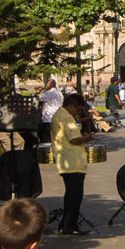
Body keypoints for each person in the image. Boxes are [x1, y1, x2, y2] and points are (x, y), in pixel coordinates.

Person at [50, 93, 93, 235]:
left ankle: (66, 224)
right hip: (72, 162)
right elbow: (74, 140)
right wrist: (87, 138)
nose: (78, 113)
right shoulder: (66, 117)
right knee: (75, 196)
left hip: (66, 160)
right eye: (78, 109)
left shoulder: (59, 114)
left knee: (71, 195)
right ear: (71, 106)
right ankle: (69, 226)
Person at [37, 78, 63, 144]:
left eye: (47, 84)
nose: (46, 86)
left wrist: (37, 92)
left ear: (50, 85)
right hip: (58, 119)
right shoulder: (60, 94)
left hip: (48, 119)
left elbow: (38, 98)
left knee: (47, 140)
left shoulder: (49, 93)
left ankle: (48, 153)